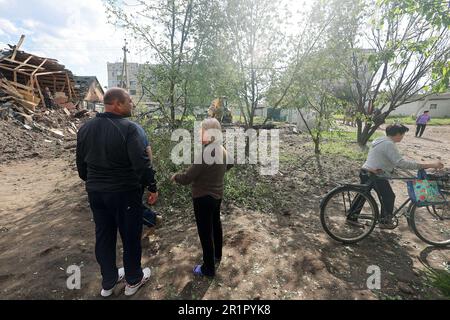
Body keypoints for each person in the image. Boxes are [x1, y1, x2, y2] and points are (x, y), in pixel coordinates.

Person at [76, 88, 157, 297]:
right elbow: (141, 163)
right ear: (118, 104)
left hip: (96, 193)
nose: (133, 104)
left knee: (104, 236)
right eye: (130, 101)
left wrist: (95, 183)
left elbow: (81, 166)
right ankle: (133, 279)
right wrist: (152, 186)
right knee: (130, 236)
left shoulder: (85, 129)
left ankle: (109, 282)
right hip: (124, 193)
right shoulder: (130, 128)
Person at [349, 124, 444, 229]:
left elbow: (386, 159)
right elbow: (400, 163)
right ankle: (385, 221)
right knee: (389, 196)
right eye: (403, 134)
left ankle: (351, 218)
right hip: (375, 174)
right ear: (398, 134)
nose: (403, 137)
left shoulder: (380, 139)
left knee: (362, 195)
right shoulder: (389, 144)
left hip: (366, 170)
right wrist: (428, 165)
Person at [171, 118, 233, 277]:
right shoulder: (221, 149)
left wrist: (175, 176)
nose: (199, 132)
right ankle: (217, 255)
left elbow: (187, 178)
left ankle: (208, 268)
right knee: (216, 225)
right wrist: (215, 173)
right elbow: (230, 164)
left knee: (205, 233)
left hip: (203, 198)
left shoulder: (206, 152)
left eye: (201, 130)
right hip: (217, 195)